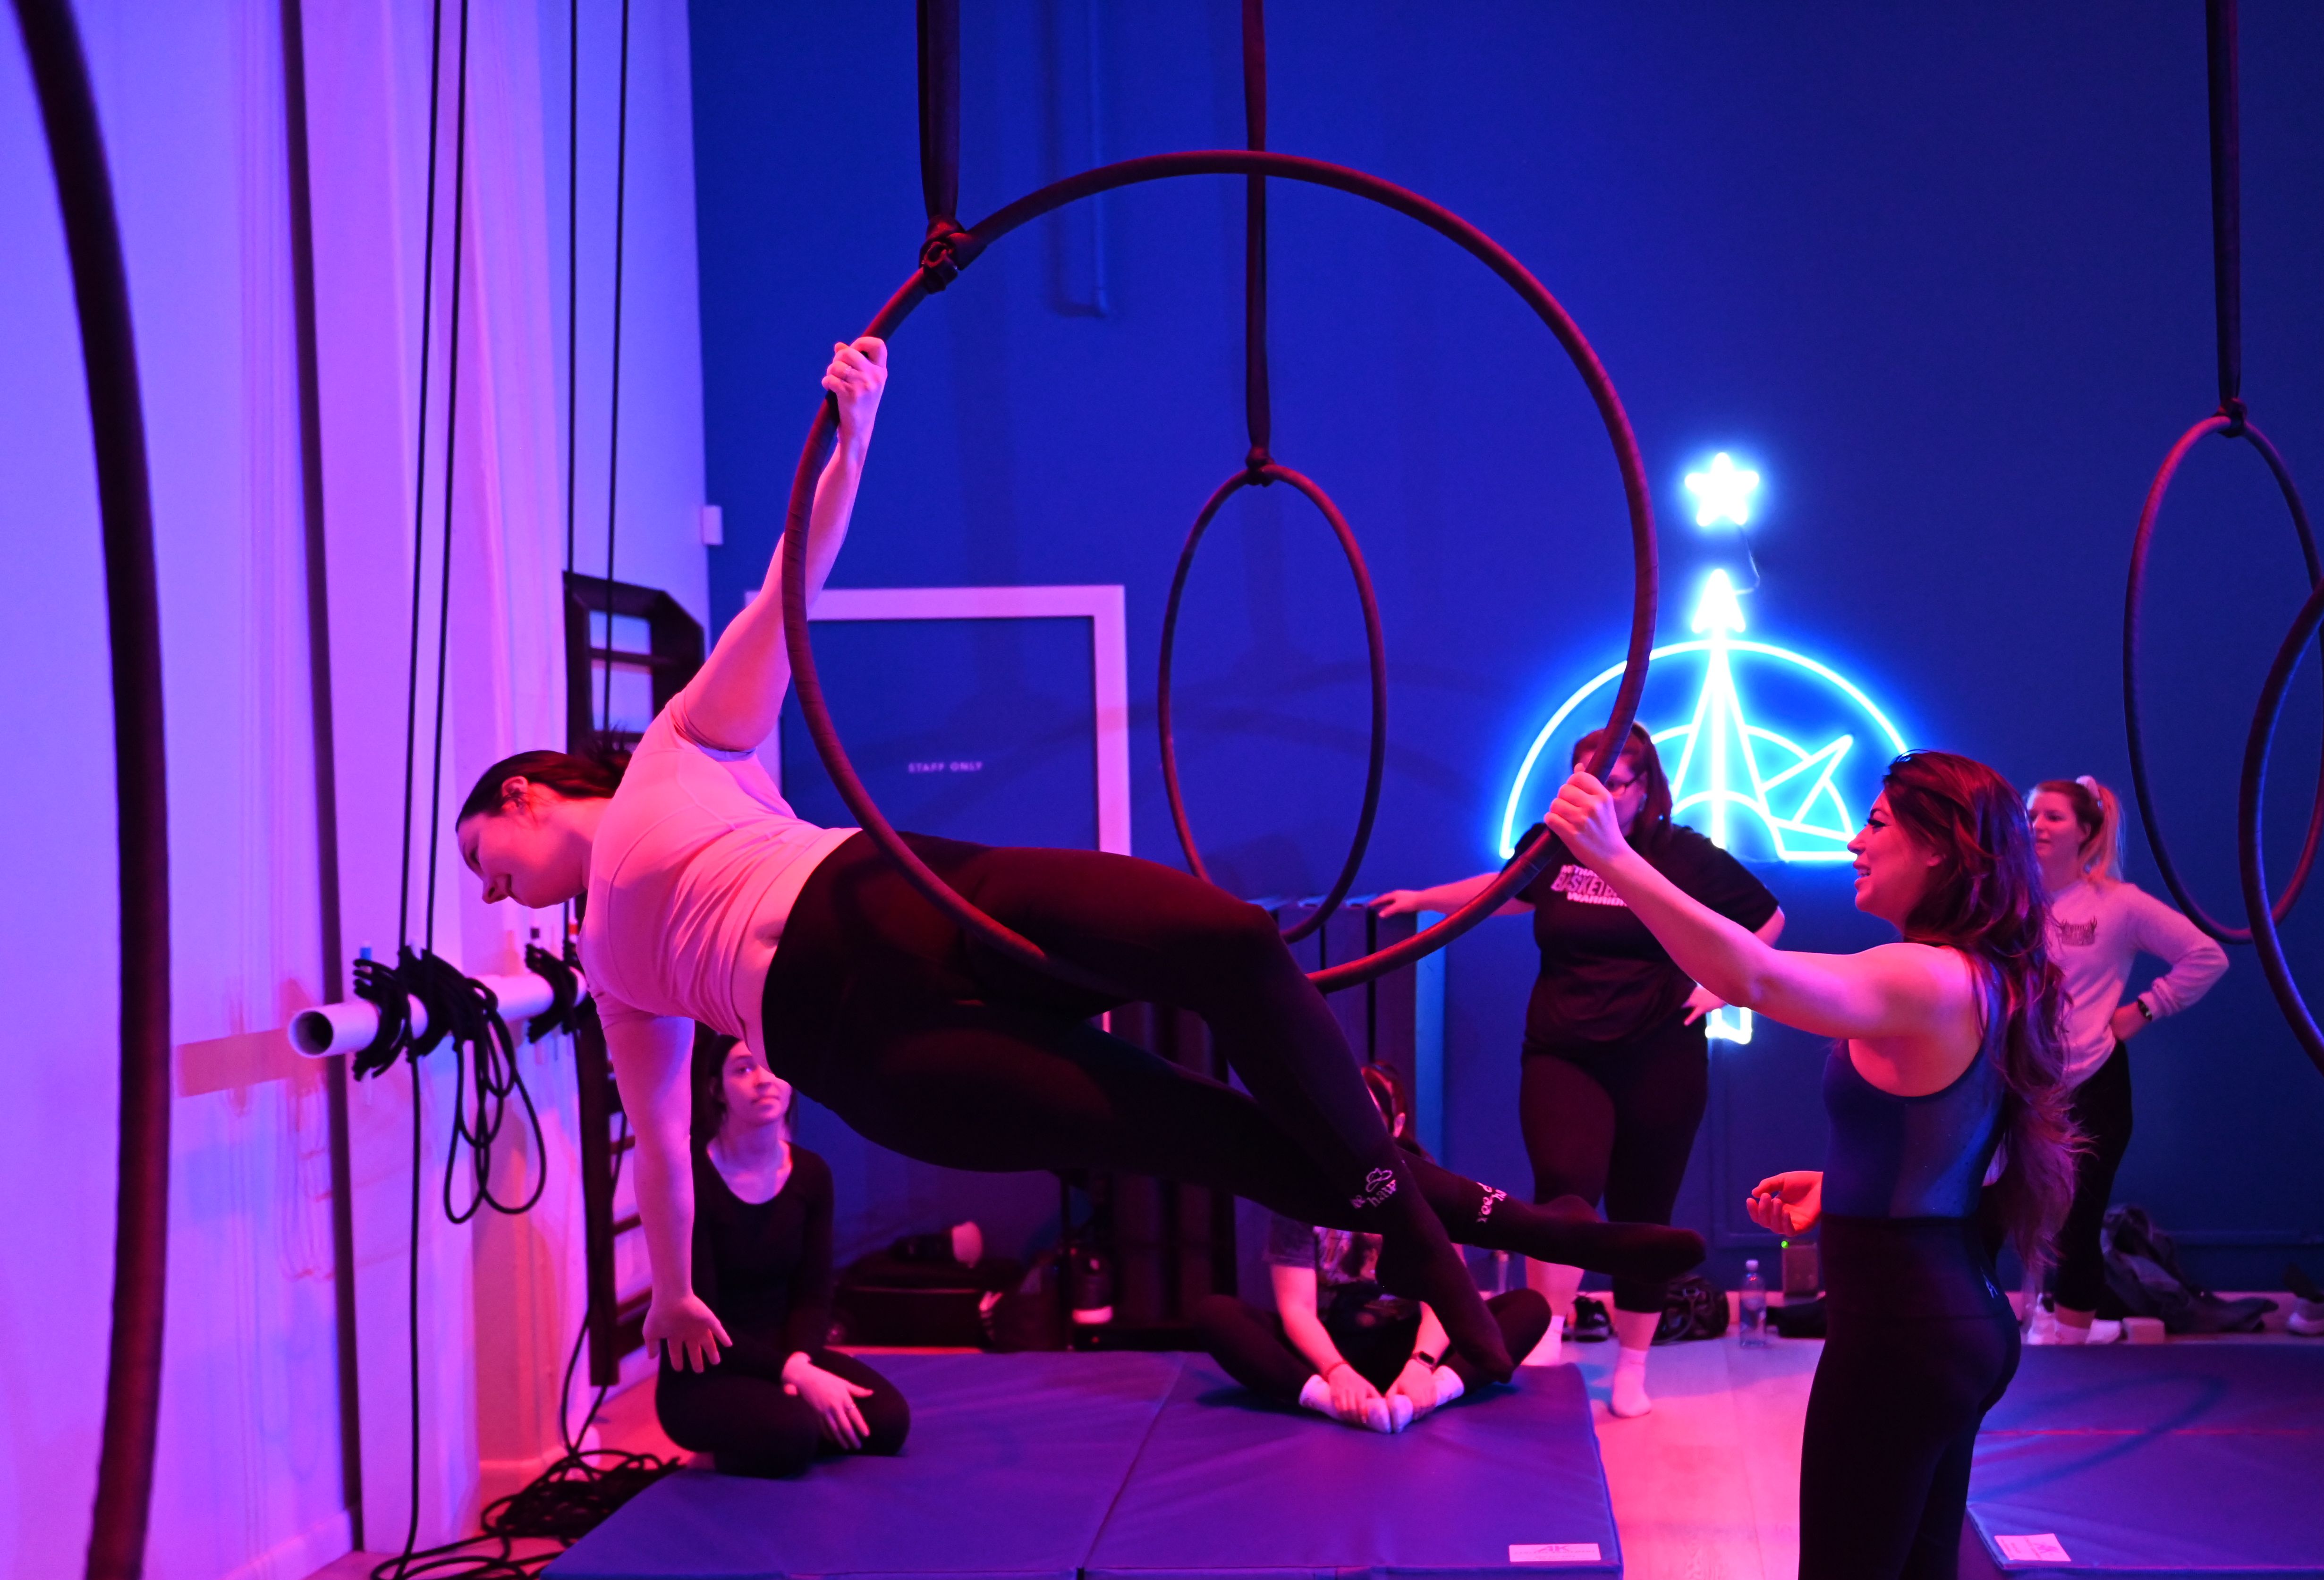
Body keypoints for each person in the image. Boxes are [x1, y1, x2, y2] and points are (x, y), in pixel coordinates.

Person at [455, 337, 1696, 1392]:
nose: (496, 892)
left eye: (485, 860)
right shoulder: (613, 972)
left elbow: (791, 590)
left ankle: (1448, 1244)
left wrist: (856, 439)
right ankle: (1486, 1233)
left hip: (914, 897)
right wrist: (670, 1291)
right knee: (1201, 1130)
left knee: (1234, 943)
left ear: (522, 794)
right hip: (868, 1050)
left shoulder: (679, 749)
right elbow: (665, 1149)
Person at [1544, 749, 2074, 1580]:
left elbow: (1752, 973)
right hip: (1951, 1308)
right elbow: (1954, 1140)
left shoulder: (1926, 976)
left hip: (1904, 1330)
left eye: (1877, 823)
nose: (1854, 840)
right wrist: (1840, 1188)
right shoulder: (1989, 977)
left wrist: (1618, 857)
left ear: (1940, 849)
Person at [1374, 723, 1782, 1417]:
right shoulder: (1555, 841)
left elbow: (1766, 920)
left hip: (1661, 1055)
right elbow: (1505, 890)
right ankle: (1547, 1339)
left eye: (1614, 783)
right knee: (1564, 1192)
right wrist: (1421, 900)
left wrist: (1721, 989)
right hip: (1565, 1051)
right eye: (1582, 780)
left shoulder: (1679, 854)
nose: (1595, 794)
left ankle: (1632, 1368)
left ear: (1644, 788)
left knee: (1643, 1210)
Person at [1191, 1064, 1553, 1430]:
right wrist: (1336, 1372)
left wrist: (1422, 1365)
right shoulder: (1299, 1192)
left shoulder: (1429, 1190)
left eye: (1365, 1119)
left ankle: (1429, 1396)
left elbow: (1446, 1297)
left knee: (1530, 1308)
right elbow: (1297, 1309)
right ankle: (1329, 1403)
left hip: (1409, 1345)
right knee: (1216, 1314)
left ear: (1394, 1126)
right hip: (1329, 1348)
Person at [653, 1031, 912, 1476]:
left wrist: (801, 1365)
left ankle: (781, 1424)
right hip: (708, 1370)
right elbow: (705, 1321)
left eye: (772, 1067)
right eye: (743, 1069)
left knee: (888, 1421)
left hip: (790, 1354)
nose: (763, 1081)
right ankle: (739, 1445)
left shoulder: (811, 1174)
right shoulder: (692, 1181)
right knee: (792, 1436)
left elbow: (814, 1296)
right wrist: (795, 1375)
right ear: (716, 1090)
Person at [2024, 776, 2225, 1344]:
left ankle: (2070, 1347)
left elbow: (2206, 956)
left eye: (2054, 816)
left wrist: (2146, 1007)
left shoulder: (2118, 904)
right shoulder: (2009, 899)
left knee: (2078, 1222)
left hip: (2093, 1085)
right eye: (2032, 813)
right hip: (2021, 1084)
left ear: (2086, 831)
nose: (2038, 824)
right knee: (1997, 1210)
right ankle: (2007, 1329)